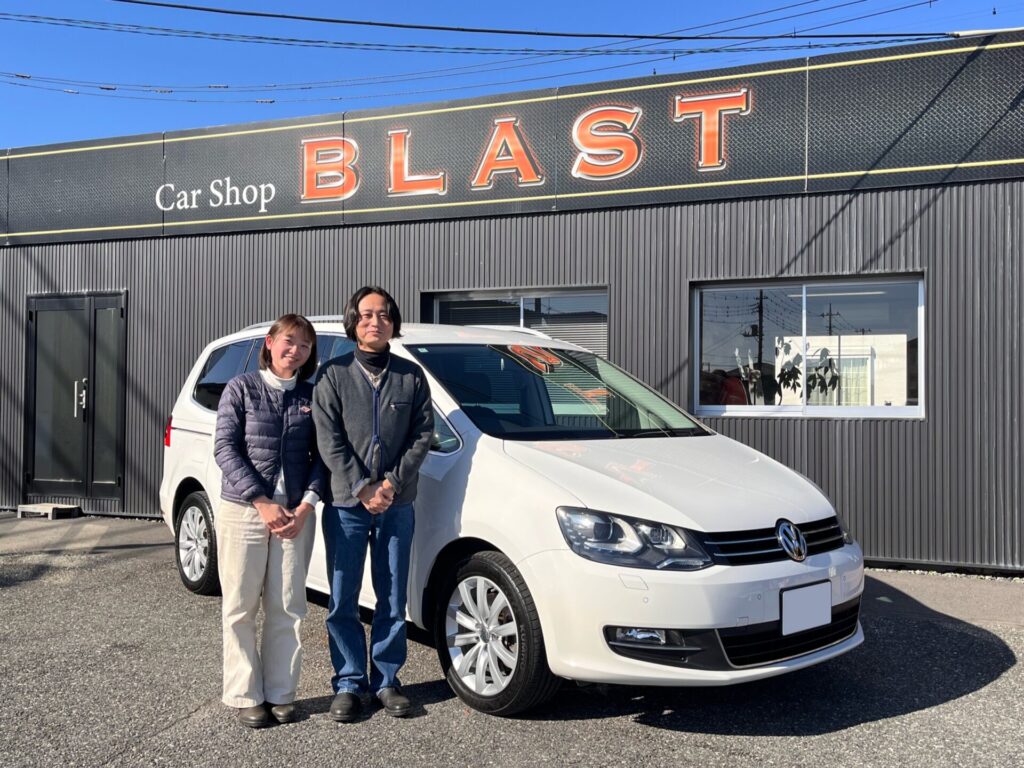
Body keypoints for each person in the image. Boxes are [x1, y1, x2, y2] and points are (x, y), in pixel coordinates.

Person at [313, 286, 433, 722]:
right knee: (343, 595)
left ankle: (386, 679)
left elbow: (423, 434)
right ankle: (348, 681)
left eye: (383, 314)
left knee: (392, 594)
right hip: (346, 504)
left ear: (393, 323)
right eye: (366, 314)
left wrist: (391, 484)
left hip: (396, 504)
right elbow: (328, 439)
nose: (375, 322)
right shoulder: (333, 375)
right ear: (353, 322)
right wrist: (363, 486)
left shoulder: (411, 376)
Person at [213, 313, 327, 729]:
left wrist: (307, 505)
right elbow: (225, 448)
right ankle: (245, 693)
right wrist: (260, 501)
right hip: (245, 509)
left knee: (288, 605)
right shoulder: (241, 388)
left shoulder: (312, 397)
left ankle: (281, 692)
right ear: (270, 342)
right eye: (289, 341)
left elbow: (323, 457)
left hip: (295, 514)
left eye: (305, 345)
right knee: (240, 605)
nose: (295, 350)